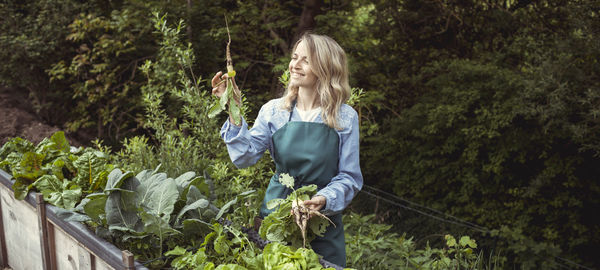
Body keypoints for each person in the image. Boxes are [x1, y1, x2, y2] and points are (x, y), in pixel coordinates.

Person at [211, 32, 363, 267]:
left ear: (325, 67)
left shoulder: (345, 117)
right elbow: (244, 157)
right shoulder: (274, 112)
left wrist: (323, 198)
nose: (295, 65)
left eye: (306, 60)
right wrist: (233, 108)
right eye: (294, 57)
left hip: (322, 224)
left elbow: (349, 177)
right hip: (276, 223)